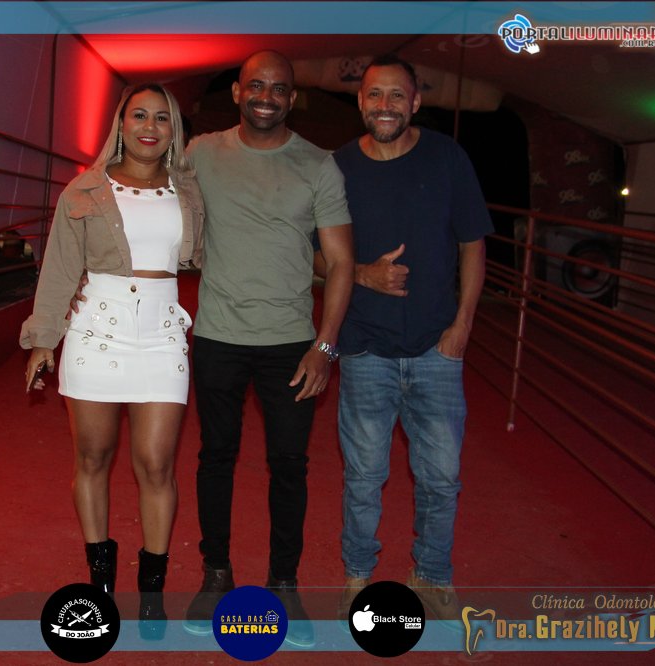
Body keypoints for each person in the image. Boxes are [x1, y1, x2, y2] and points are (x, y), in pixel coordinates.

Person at [181, 51, 355, 649]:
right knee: (215, 457)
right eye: (256, 85)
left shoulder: (319, 165)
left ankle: (284, 582)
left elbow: (341, 262)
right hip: (217, 335)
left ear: (292, 98)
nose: (266, 96)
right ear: (237, 91)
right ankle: (216, 574)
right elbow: (145, 183)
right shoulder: (201, 153)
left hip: (290, 344)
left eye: (279, 88)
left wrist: (325, 347)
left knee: (289, 465)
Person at [20, 84, 203, 637]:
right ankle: (100, 579)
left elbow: (222, 254)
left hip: (163, 334)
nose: (150, 126)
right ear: (121, 124)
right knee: (93, 457)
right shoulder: (85, 189)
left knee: (156, 464)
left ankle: (152, 589)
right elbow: (59, 267)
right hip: (95, 330)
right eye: (139, 115)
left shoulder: (190, 189)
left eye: (162, 118)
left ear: (174, 130)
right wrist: (43, 338)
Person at [314, 55, 492, 621]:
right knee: (364, 477)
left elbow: (473, 243)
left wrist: (462, 326)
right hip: (364, 347)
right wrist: (364, 274)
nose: (385, 105)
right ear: (359, 101)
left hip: (437, 347)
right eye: (374, 95)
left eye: (397, 95)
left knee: (442, 478)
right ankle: (358, 575)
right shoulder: (337, 167)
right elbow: (313, 256)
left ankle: (432, 576)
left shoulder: (447, 157)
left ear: (415, 101)